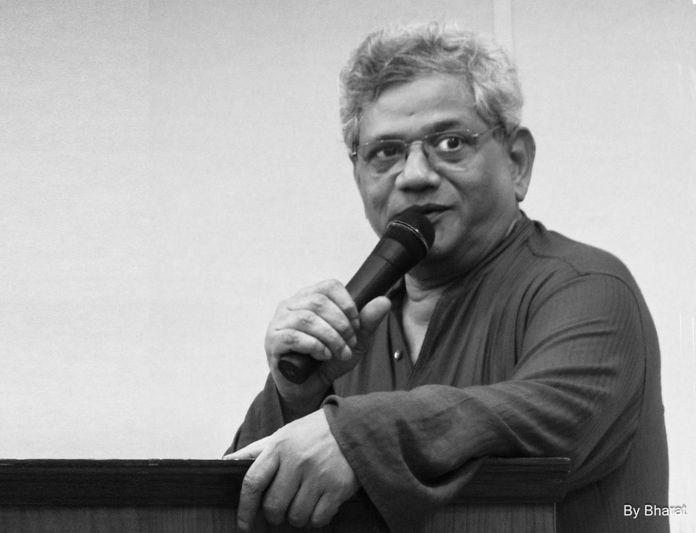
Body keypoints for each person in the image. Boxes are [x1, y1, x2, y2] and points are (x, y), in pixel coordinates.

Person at [223, 22, 668, 533]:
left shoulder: (586, 286)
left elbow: (549, 421)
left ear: (517, 162)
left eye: (450, 142)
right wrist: (294, 396)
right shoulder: (351, 328)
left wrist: (353, 437)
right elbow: (230, 503)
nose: (414, 175)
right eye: (386, 152)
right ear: (359, 175)